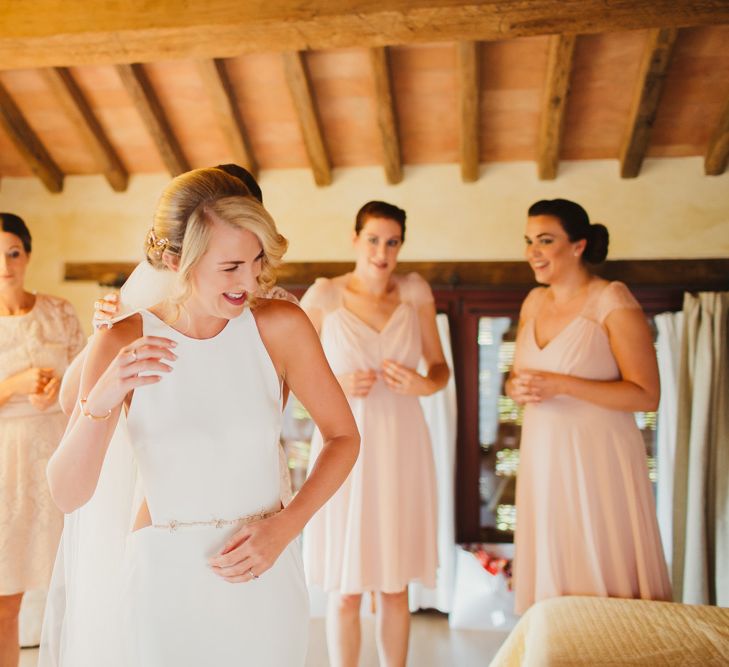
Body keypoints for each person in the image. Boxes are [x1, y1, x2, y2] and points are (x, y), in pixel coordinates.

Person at [43, 168, 360, 666]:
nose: (249, 281)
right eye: (230, 266)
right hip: (163, 581)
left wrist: (287, 527)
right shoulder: (122, 339)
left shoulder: (281, 326)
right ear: (175, 260)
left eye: (256, 262)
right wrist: (102, 397)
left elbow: (343, 437)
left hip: (263, 569)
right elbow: (67, 493)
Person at [301, 201, 449, 667]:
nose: (382, 252)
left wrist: (425, 384)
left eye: (392, 242)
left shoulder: (414, 292)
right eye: (373, 239)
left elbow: (439, 367)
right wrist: (337, 386)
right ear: (355, 238)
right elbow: (288, 371)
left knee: (394, 584)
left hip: (402, 444)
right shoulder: (325, 295)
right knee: (346, 590)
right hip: (344, 441)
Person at [506, 198, 672, 615]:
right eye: (529, 241)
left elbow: (646, 394)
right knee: (553, 553)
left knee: (599, 552)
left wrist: (563, 384)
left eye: (546, 240)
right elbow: (519, 378)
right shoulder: (533, 303)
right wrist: (516, 388)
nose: (534, 252)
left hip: (598, 457)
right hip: (543, 455)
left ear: (578, 245)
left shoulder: (610, 300)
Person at [0, 213, 84, 667]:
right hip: (4, 462)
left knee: (70, 584)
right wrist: (15, 385)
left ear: (28, 254)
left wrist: (59, 388)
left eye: (13, 252)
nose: (5, 264)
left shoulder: (59, 310)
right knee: (4, 595)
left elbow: (86, 376)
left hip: (57, 449)